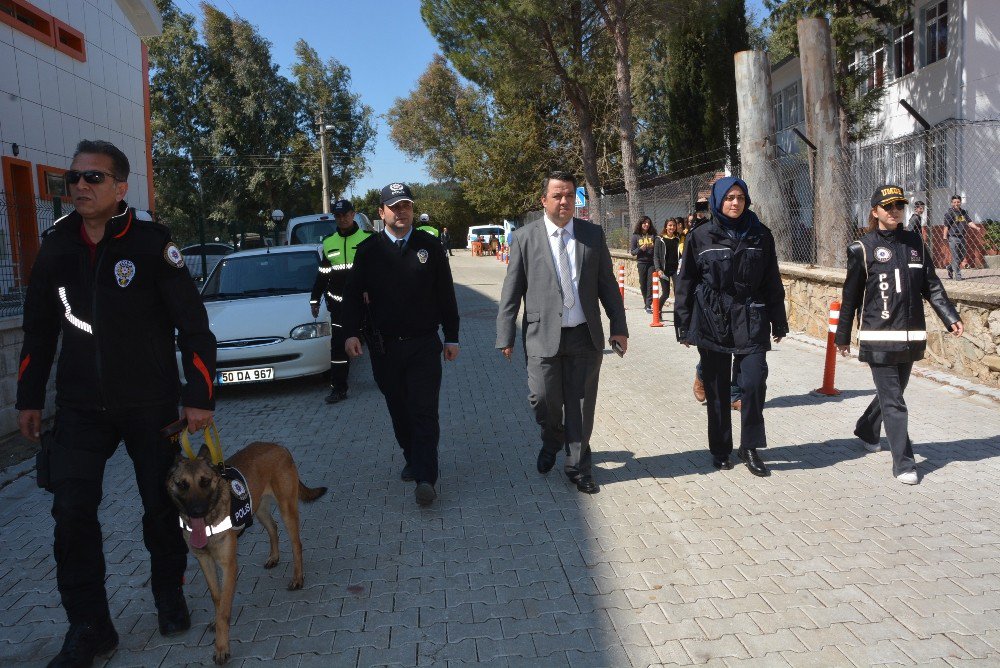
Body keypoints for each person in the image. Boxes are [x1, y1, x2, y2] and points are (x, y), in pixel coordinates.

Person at [16, 140, 216, 666]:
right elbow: (37, 330)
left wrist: (199, 395)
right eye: (73, 178)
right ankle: (90, 626)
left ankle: (169, 598)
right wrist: (29, 398)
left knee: (160, 508)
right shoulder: (56, 247)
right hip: (79, 407)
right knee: (70, 512)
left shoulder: (151, 245)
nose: (80, 186)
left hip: (150, 404)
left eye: (94, 178)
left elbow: (194, 326)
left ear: (121, 187)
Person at [496, 170, 628, 495]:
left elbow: (608, 286)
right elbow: (512, 291)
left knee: (580, 407)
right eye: (557, 195)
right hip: (542, 336)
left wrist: (619, 327)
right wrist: (505, 336)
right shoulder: (525, 238)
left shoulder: (592, 235)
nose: (564, 201)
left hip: (585, 337)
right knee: (542, 399)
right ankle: (552, 438)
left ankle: (578, 467)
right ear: (544, 200)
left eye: (569, 194)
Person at [836, 185, 963, 485]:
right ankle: (904, 462)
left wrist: (950, 316)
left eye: (899, 206)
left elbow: (931, 285)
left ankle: (867, 428)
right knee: (895, 402)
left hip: (911, 336)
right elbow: (850, 295)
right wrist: (842, 335)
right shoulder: (862, 247)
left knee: (893, 394)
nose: (895, 211)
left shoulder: (915, 243)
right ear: (875, 211)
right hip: (878, 337)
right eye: (888, 206)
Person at [343, 183, 459, 507]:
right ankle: (412, 455)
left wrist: (452, 336)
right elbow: (352, 296)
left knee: (424, 411)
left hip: (424, 344)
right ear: (382, 213)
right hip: (385, 348)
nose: (401, 211)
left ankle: (426, 478)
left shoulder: (430, 246)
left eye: (406, 205)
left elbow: (446, 294)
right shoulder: (368, 251)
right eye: (394, 207)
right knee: (399, 409)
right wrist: (350, 333)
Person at [674, 177, 787, 476]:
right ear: (717, 200)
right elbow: (685, 281)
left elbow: (772, 280)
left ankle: (749, 446)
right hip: (713, 318)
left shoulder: (761, 235)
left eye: (740, 197)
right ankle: (721, 448)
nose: (735, 203)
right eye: (729, 198)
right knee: (717, 388)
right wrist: (683, 324)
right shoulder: (701, 236)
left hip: (752, 317)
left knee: (752, 383)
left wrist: (780, 319)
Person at [310, 199, 371, 404]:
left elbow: (379, 272)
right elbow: (323, 274)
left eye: (345, 214)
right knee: (338, 347)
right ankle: (339, 389)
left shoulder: (368, 239)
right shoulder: (328, 243)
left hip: (367, 304)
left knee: (379, 344)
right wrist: (314, 299)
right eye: (338, 215)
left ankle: (391, 382)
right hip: (339, 305)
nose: (342, 218)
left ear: (353, 214)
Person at [629, 216, 657, 313]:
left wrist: (654, 246)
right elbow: (633, 252)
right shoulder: (635, 236)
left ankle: (648, 305)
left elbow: (658, 248)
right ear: (641, 224)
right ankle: (646, 303)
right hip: (641, 263)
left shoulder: (653, 235)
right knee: (643, 284)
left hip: (652, 263)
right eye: (645, 223)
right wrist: (641, 249)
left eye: (648, 223)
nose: (647, 225)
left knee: (650, 284)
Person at [944, 195, 975, 280]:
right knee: (955, 256)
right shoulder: (949, 213)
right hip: (953, 237)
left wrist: (976, 227)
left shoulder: (963, 212)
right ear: (951, 203)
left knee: (962, 255)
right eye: (954, 202)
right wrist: (944, 236)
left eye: (958, 202)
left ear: (960, 202)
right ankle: (958, 276)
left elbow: (969, 222)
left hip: (962, 237)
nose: (956, 204)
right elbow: (946, 226)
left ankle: (950, 268)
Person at [653, 218, 680, 313]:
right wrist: (658, 269)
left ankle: (679, 314)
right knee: (666, 294)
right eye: (670, 225)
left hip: (676, 270)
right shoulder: (659, 239)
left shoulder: (678, 239)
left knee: (678, 292)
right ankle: (657, 310)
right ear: (666, 226)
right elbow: (656, 256)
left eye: (674, 225)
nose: (672, 227)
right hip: (664, 270)